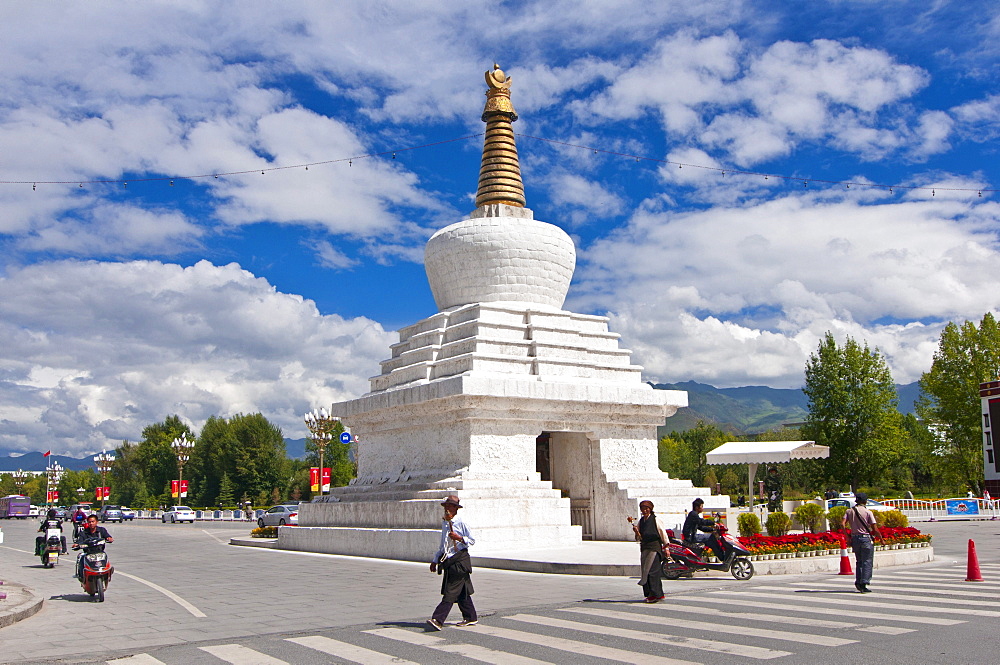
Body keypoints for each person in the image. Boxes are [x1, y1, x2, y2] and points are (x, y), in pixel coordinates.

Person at [427, 495, 477, 630]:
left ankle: (438, 619)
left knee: (450, 590)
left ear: (456, 508)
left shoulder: (461, 522)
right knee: (462, 591)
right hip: (449, 561)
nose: (447, 509)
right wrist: (435, 560)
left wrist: (459, 538)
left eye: (450, 506)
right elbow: (443, 544)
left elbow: (471, 540)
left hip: (460, 561)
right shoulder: (445, 522)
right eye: (446, 506)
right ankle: (470, 616)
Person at [840, 492, 882, 593]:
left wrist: (847, 537)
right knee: (867, 561)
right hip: (865, 539)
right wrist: (881, 538)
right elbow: (874, 528)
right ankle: (864, 583)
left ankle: (858, 581)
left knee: (859, 561)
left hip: (855, 538)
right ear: (865, 501)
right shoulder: (868, 512)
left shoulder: (849, 511)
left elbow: (842, 524)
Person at [628, 500, 668, 603]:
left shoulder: (656, 520)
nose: (645, 510)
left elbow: (662, 533)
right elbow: (639, 538)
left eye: (646, 508)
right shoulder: (641, 521)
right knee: (646, 571)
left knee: (652, 572)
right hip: (645, 548)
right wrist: (637, 532)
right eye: (642, 509)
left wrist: (666, 547)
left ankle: (653, 595)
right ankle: (658, 594)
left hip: (654, 548)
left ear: (650, 509)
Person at [73, 514, 113, 580]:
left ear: (96, 522)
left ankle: (108, 572)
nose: (91, 523)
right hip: (88, 553)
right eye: (89, 522)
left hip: (100, 552)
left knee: (105, 558)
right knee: (81, 558)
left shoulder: (101, 530)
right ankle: (81, 577)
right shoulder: (84, 533)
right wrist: (77, 544)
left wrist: (109, 538)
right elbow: (80, 541)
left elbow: (107, 536)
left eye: (93, 521)